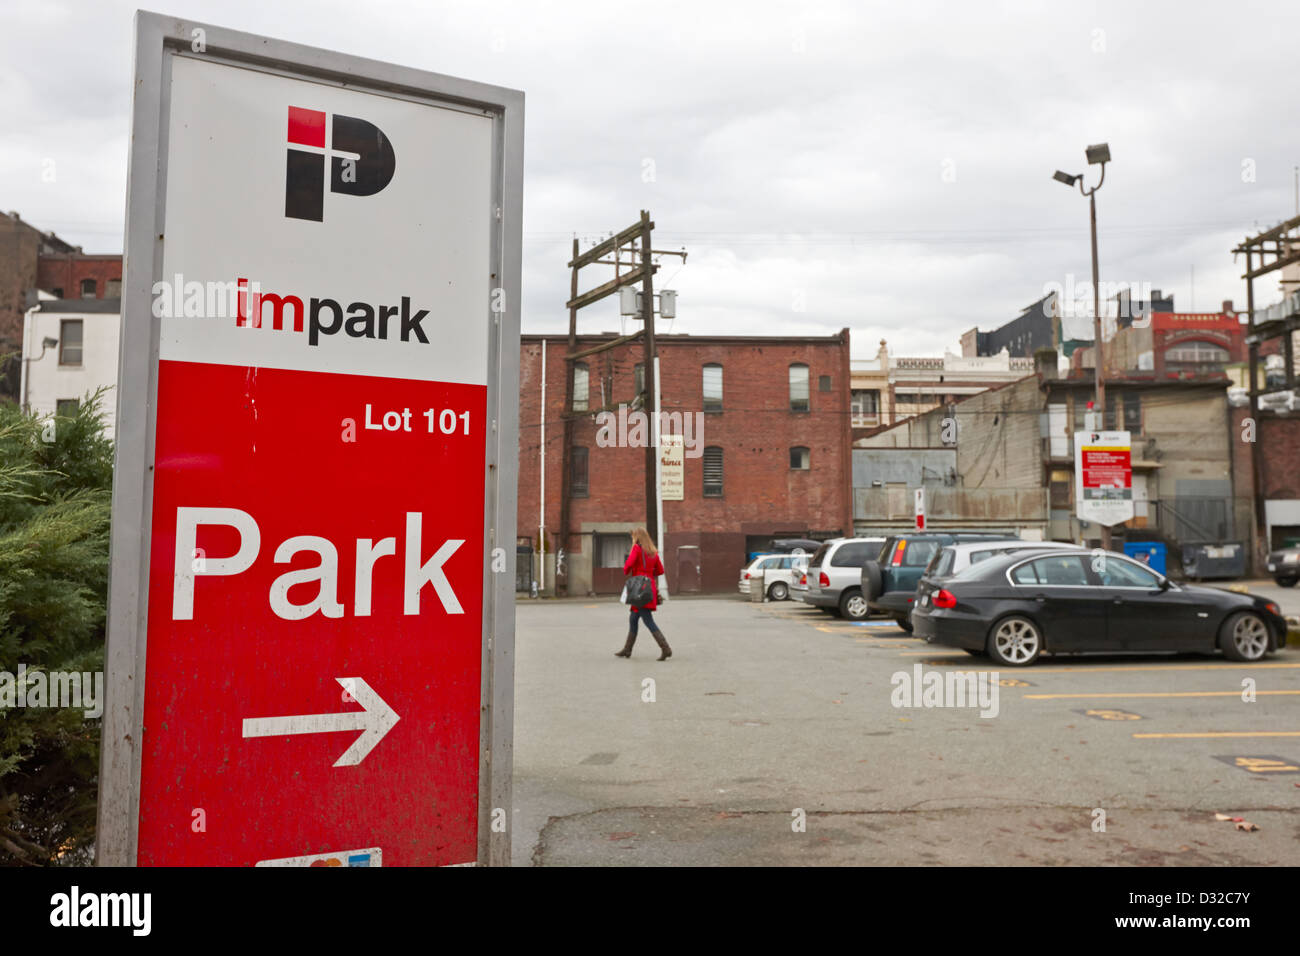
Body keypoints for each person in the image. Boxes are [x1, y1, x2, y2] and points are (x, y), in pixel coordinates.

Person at [615, 527, 671, 661]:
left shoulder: (637, 549)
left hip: (638, 587)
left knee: (647, 619)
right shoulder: (652, 551)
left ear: (637, 537)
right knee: (633, 618)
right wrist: (648, 574)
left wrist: (631, 569)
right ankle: (627, 649)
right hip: (649, 585)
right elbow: (660, 570)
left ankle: (666, 648)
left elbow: (628, 565)